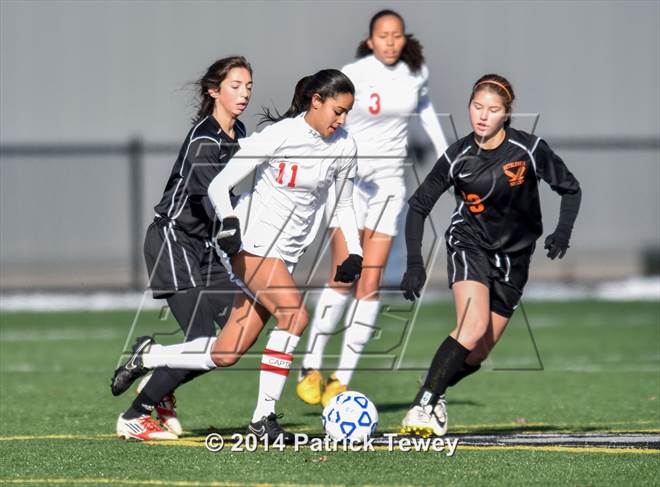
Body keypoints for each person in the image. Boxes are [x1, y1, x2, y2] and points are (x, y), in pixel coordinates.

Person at [111, 69, 363, 443]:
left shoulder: (345, 146)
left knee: (225, 353)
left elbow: (343, 204)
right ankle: (263, 420)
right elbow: (219, 185)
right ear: (316, 101)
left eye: (346, 113)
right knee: (294, 316)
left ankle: (148, 359)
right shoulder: (281, 136)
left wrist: (355, 250)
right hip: (253, 245)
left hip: (286, 256)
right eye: (337, 111)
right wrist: (229, 222)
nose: (341, 120)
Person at [398, 73, 582, 436]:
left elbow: (571, 189)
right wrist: (414, 263)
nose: (482, 116)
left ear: (506, 114)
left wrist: (563, 231)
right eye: (477, 106)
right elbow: (418, 206)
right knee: (472, 326)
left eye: (493, 109)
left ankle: (437, 383)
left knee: (478, 352)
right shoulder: (458, 156)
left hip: (516, 258)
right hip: (470, 243)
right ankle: (422, 406)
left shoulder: (529, 149)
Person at [296, 9, 448, 407]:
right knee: (343, 274)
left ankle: (340, 379)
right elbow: (330, 118)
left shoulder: (416, 73)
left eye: (396, 35)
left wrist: (446, 154)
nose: (390, 42)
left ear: (403, 38)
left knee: (370, 282)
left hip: (389, 187)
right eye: (383, 35)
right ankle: (310, 364)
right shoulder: (354, 75)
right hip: (350, 184)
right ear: (370, 40)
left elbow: (426, 110)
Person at [111, 56, 254, 441]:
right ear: (214, 91)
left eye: (248, 87)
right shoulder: (205, 139)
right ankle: (135, 415)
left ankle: (158, 382)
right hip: (173, 241)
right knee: (203, 341)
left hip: (204, 247)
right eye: (235, 86)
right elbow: (212, 196)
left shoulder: (238, 131)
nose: (244, 94)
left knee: (235, 336)